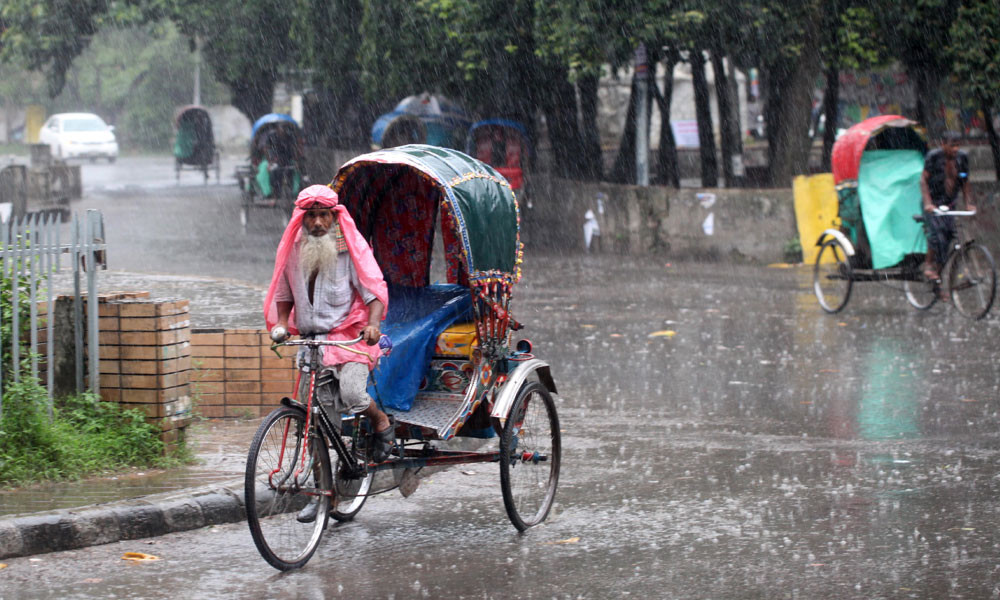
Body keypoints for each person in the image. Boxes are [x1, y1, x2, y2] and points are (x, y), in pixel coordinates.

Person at [263, 185, 394, 519]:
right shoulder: (294, 249)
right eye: (311, 217)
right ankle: (325, 495)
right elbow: (283, 291)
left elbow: (373, 291)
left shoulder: (348, 249)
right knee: (316, 426)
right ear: (302, 220)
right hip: (312, 345)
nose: (318, 223)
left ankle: (380, 421)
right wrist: (281, 323)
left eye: (324, 216)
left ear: (335, 218)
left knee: (352, 394)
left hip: (349, 340)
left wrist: (374, 325)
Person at [920, 131, 976, 282]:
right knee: (937, 235)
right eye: (952, 146)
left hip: (949, 204)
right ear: (943, 144)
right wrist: (927, 203)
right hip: (933, 203)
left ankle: (937, 279)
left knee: (949, 237)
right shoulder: (934, 157)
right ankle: (928, 264)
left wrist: (968, 203)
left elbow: (964, 180)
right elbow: (923, 180)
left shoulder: (962, 158)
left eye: (958, 145)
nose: (955, 149)